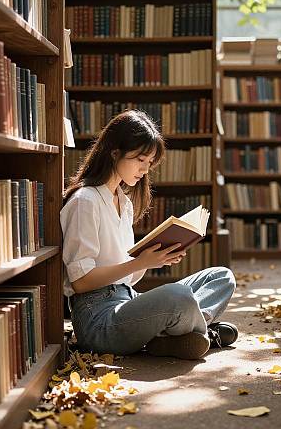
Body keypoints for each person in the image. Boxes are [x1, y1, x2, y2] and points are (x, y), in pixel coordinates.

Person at [61, 109, 237, 360]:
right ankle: (195, 331)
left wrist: (154, 259)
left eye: (149, 163)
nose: (145, 169)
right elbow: (81, 282)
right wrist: (140, 262)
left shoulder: (124, 201)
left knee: (221, 277)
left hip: (127, 297)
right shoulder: (85, 201)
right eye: (140, 160)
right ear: (114, 153)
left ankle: (175, 334)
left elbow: (129, 279)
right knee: (178, 297)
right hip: (98, 319)